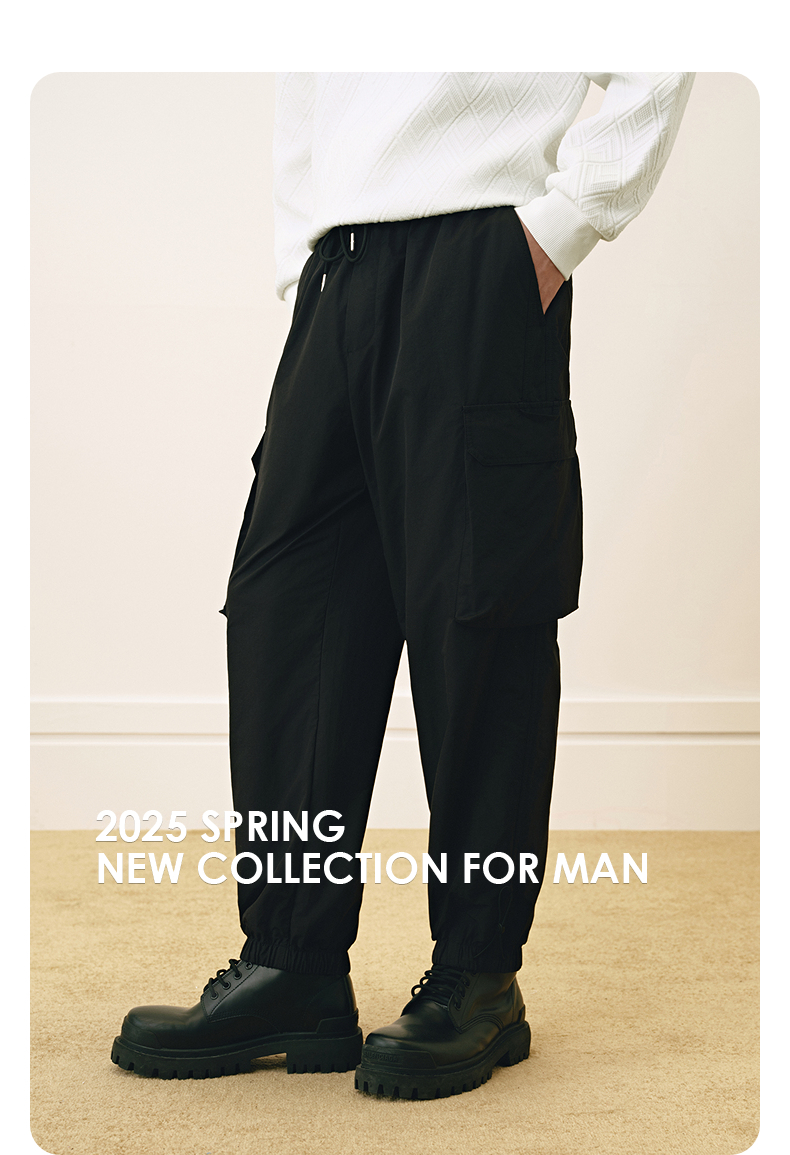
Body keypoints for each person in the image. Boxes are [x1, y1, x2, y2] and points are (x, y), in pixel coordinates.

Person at [112, 71, 694, 1098]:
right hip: (338, 268)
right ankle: (293, 962)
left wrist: (566, 221)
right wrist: (302, 257)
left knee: (479, 614)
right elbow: (310, 81)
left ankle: (478, 974)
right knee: (288, 613)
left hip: (480, 253)